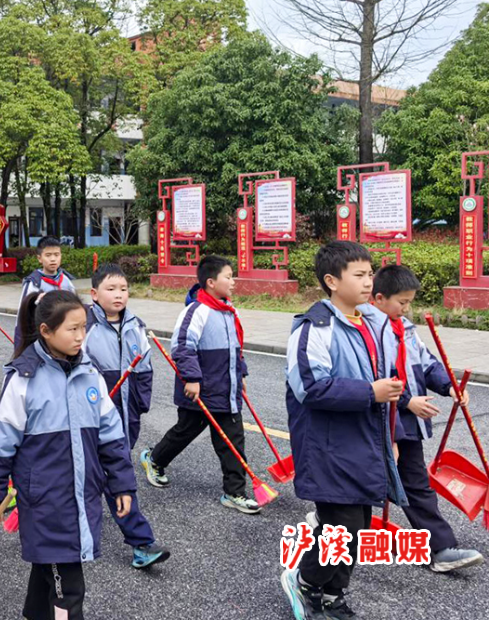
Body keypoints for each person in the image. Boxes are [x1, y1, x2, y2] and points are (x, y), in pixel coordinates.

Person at [0, 290, 135, 620]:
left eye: (84, 328)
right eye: (72, 329)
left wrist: (122, 484)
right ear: (46, 331)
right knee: (69, 592)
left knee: (48, 573)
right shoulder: (24, 379)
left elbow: (112, 437)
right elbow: (0, 445)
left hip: (82, 497)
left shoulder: (90, 373)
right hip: (45, 504)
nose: (80, 336)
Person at [281, 241, 407, 620]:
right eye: (360, 275)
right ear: (332, 281)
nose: (369, 282)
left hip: (364, 445)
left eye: (370, 274)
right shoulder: (315, 327)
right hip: (328, 448)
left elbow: (387, 386)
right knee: (343, 527)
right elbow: (310, 387)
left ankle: (332, 594)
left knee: (359, 526)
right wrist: (370, 392)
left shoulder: (371, 323)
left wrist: (390, 438)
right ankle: (305, 581)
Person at [365, 265, 483, 572]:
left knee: (416, 483)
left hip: (406, 423)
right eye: (402, 302)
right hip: (377, 420)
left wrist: (450, 386)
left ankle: (440, 548)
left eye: (409, 302)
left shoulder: (405, 329)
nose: (407, 308)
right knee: (363, 480)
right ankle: (328, 524)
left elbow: (428, 365)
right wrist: (408, 401)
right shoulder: (365, 330)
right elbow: (371, 377)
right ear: (379, 298)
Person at [140, 255, 258, 513]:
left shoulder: (230, 310)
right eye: (229, 277)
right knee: (185, 431)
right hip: (200, 391)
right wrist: (192, 379)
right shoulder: (196, 310)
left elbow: (236, 348)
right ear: (211, 282)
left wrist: (241, 374)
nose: (233, 282)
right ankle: (155, 459)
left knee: (232, 441)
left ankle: (235, 492)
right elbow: (182, 347)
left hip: (226, 391)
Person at [83, 264, 168, 569]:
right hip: (91, 417)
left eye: (123, 289)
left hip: (125, 413)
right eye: (111, 289)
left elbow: (145, 369)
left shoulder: (135, 325)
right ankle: (141, 542)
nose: (118, 295)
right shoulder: (83, 325)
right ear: (94, 294)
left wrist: (139, 405)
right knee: (111, 473)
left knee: (110, 471)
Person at [15, 236, 75, 347]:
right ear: (39, 258)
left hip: (64, 338)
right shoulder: (34, 283)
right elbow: (22, 315)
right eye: (48, 255)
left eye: (56, 255)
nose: (53, 259)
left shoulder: (67, 282)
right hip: (41, 338)